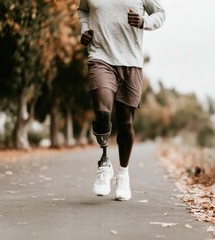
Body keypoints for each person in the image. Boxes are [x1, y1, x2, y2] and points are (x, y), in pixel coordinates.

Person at [77, 0, 165, 200]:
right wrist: (85, 29)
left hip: (131, 63)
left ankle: (123, 174)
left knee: (126, 124)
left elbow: (160, 14)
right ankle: (105, 163)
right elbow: (83, 9)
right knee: (102, 113)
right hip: (100, 57)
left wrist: (144, 22)